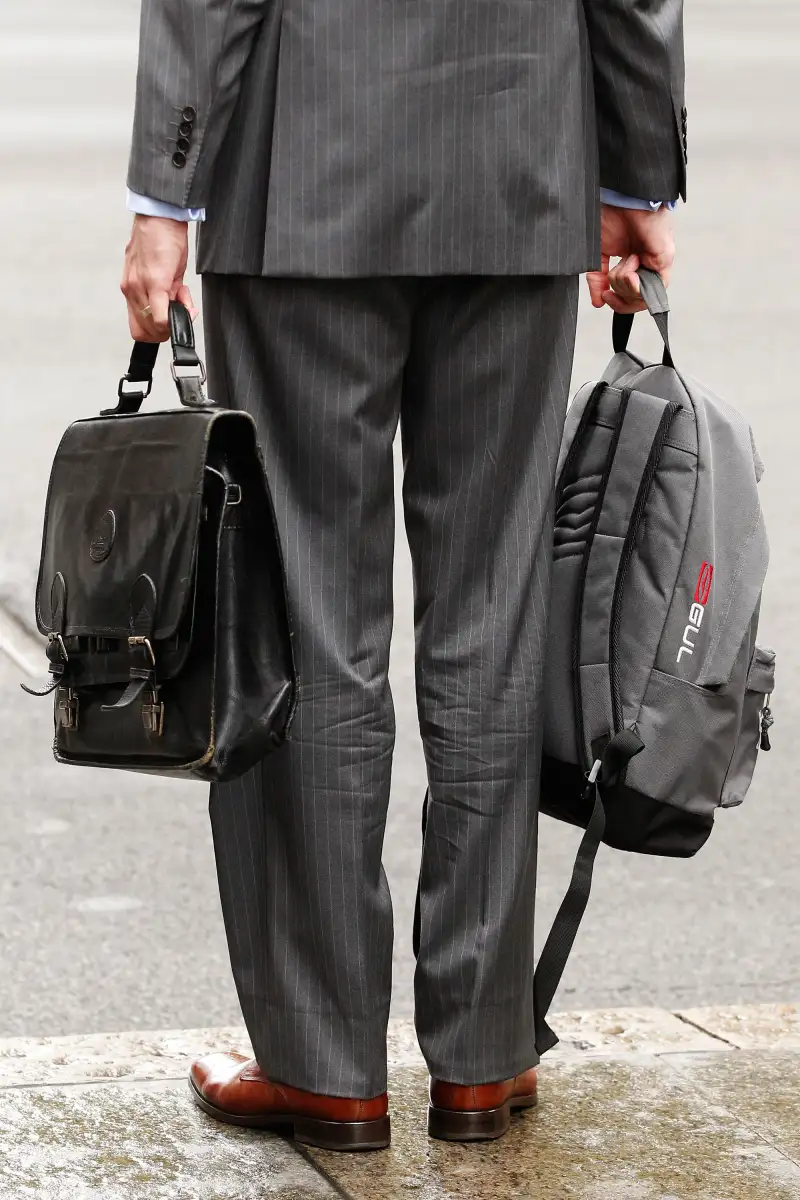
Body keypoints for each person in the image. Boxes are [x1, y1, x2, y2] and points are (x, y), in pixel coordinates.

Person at [121, 0, 686, 1150]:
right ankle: (479, 1056)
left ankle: (324, 1063)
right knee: (491, 613)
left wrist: (163, 197)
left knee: (311, 618)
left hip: (302, 168)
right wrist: (633, 173)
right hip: (520, 162)